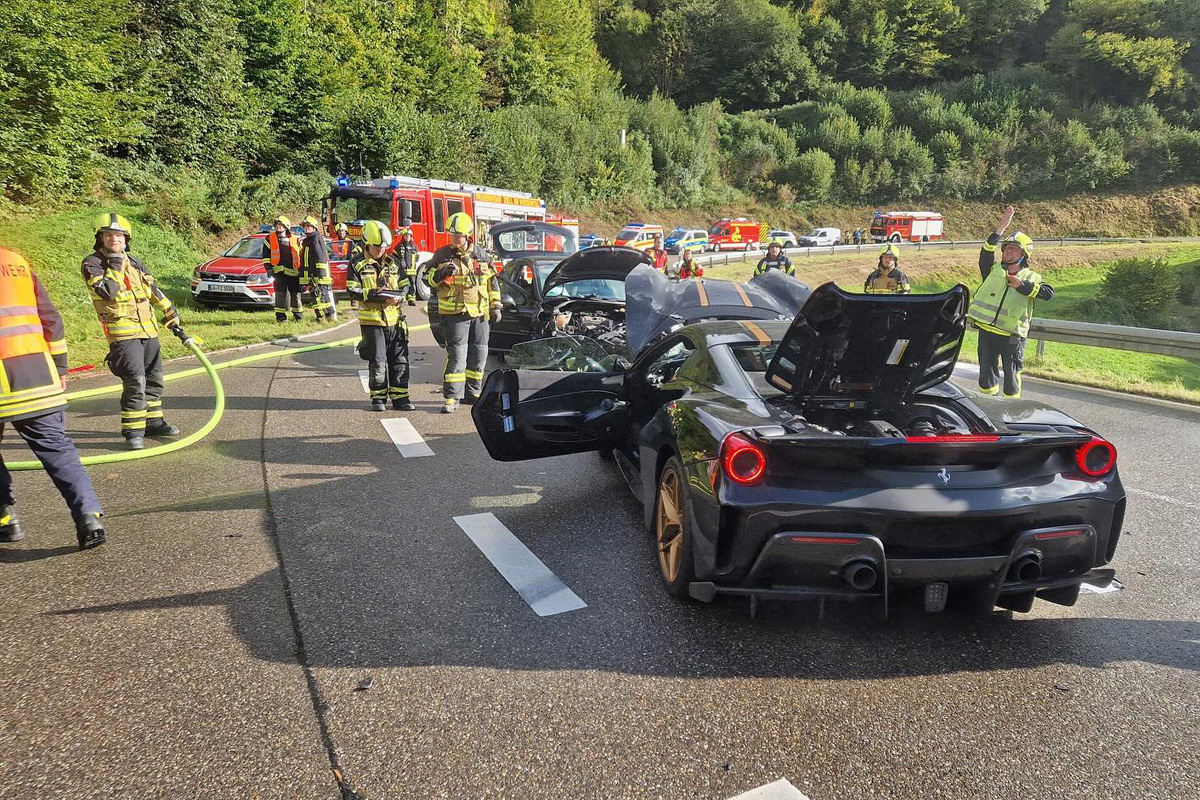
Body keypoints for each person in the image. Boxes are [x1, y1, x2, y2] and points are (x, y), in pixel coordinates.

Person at [0, 248, 106, 550]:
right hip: (35, 373)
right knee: (58, 450)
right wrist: (60, 366)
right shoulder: (15, 263)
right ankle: (89, 517)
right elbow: (50, 318)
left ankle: (7, 521)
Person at [82, 213, 189, 450]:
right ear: (100, 238)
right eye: (108, 234)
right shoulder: (93, 264)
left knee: (153, 380)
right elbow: (108, 292)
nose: (114, 239)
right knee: (135, 383)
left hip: (148, 330)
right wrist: (116, 263)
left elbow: (152, 290)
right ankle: (133, 432)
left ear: (126, 238)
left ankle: (154, 422)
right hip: (123, 335)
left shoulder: (135, 262)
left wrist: (169, 311)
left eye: (118, 235)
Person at [967, 206, 1054, 399]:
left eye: (1014, 249)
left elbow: (1048, 294)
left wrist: (1022, 286)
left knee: (1011, 376)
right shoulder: (993, 269)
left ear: (1024, 255)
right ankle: (989, 405)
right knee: (986, 376)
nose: (1008, 252)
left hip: (1012, 336)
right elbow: (986, 250)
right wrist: (1001, 227)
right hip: (987, 331)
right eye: (1007, 248)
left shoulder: (1031, 276)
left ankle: (1011, 412)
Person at [426, 212, 500, 413]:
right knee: (457, 356)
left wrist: (497, 306)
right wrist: (441, 274)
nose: (454, 239)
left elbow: (492, 283)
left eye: (458, 236)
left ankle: (474, 393)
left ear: (468, 235)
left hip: (480, 313)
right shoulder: (442, 255)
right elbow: (426, 279)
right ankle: (452, 397)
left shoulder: (481, 255)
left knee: (479, 354)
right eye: (452, 235)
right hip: (454, 313)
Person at [346, 221, 412, 411]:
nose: (380, 251)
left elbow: (406, 284)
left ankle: (401, 398)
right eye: (377, 247)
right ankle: (379, 398)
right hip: (372, 320)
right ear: (367, 242)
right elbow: (352, 289)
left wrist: (400, 297)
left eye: (383, 247)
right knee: (378, 360)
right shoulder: (357, 264)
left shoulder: (394, 262)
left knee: (400, 359)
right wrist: (375, 294)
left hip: (395, 319)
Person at [263, 216, 303, 322]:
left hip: (294, 273)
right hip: (279, 273)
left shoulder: (295, 239)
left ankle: (298, 315)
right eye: (277, 225)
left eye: (280, 225)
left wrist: (302, 270)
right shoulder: (269, 238)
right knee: (280, 295)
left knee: (295, 294)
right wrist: (268, 269)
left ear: (286, 227)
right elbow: (266, 256)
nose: (278, 227)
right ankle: (281, 317)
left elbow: (301, 255)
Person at [300, 216, 337, 321]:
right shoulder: (309, 239)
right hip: (314, 274)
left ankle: (322, 317)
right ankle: (329, 315)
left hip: (318, 275)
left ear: (314, 227)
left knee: (319, 296)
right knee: (321, 295)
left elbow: (320, 256)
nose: (306, 228)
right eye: (305, 226)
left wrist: (319, 274)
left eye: (308, 226)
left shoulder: (316, 238)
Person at [392, 219, 419, 306]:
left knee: (412, 285)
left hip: (412, 270)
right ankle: (402, 300)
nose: (407, 237)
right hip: (402, 270)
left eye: (408, 236)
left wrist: (413, 265)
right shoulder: (398, 247)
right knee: (403, 285)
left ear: (411, 237)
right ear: (403, 236)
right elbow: (394, 258)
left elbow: (417, 257)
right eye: (405, 236)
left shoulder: (414, 247)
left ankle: (411, 300)